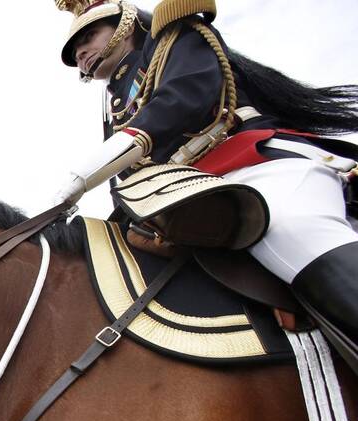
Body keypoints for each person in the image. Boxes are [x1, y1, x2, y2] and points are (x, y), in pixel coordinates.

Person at [53, 0, 358, 358]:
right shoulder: (115, 104)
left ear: (126, 23)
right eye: (75, 50)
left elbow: (179, 102)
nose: (81, 52)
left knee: (292, 230)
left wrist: (79, 180)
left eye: (89, 36)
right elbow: (126, 184)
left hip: (256, 166)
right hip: (189, 197)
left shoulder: (177, 37)